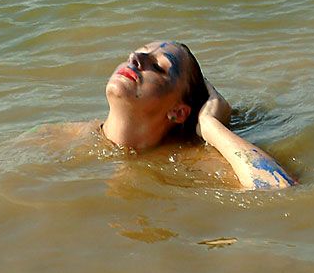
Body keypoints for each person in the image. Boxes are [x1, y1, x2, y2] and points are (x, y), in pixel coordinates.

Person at [101, 40, 295, 189]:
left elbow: (277, 189)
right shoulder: (82, 134)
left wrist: (210, 125)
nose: (134, 57)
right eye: (140, 51)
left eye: (158, 67)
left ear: (178, 112)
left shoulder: (189, 161)